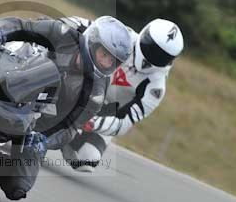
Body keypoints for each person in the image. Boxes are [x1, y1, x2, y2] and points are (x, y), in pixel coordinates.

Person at [0, 15, 133, 200]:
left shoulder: (95, 95)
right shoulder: (64, 35)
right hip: (13, 70)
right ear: (92, 42)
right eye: (104, 55)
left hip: (30, 119)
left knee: (18, 186)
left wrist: (44, 140)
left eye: (112, 61)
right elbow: (22, 24)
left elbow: (70, 128)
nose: (106, 63)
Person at [61, 18, 184, 172]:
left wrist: (92, 123)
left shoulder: (156, 87)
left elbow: (125, 122)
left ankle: (68, 138)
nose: (153, 55)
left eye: (161, 56)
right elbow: (90, 26)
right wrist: (63, 23)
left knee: (86, 160)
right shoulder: (125, 37)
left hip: (106, 114)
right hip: (85, 86)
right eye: (150, 46)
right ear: (144, 33)